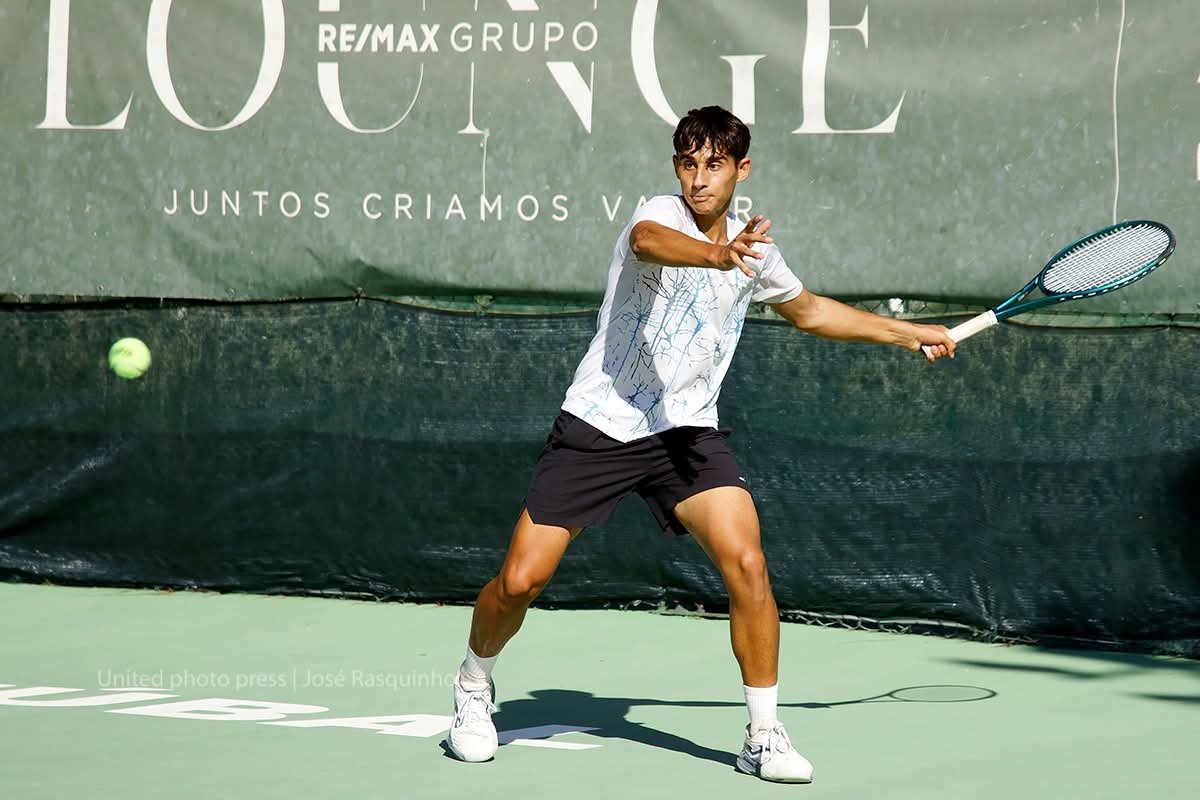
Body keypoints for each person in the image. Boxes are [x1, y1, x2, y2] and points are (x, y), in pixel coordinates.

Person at [445, 105, 956, 783]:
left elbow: (808, 311)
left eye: (713, 163)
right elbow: (649, 243)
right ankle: (475, 684)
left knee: (746, 562)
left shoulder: (756, 248)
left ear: (741, 169)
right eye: (688, 161)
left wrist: (908, 333)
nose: (698, 178)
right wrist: (718, 255)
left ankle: (764, 733)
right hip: (601, 423)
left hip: (686, 434)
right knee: (520, 581)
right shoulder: (658, 215)